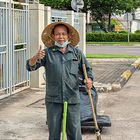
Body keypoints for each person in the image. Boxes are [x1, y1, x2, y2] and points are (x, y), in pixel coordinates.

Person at [26, 22, 93, 140]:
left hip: (72, 98)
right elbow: (30, 67)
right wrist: (36, 57)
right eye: (57, 34)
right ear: (53, 36)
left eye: (63, 34)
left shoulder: (77, 53)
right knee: (54, 133)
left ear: (68, 36)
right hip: (53, 100)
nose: (61, 37)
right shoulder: (46, 53)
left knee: (75, 132)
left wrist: (89, 80)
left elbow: (87, 70)